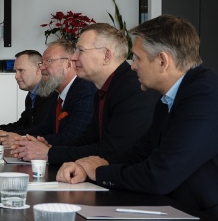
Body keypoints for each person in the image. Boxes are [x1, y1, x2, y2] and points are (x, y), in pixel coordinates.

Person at [57, 15, 218, 215]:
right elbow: (141, 153)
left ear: (162, 61)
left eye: (138, 58)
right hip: (189, 207)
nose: (133, 66)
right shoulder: (173, 96)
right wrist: (89, 165)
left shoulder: (205, 98)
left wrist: (99, 172)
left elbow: (159, 175)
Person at [12, 24, 159, 163]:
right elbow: (87, 139)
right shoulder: (104, 89)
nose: (73, 57)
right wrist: (49, 147)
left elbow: (112, 150)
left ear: (106, 55)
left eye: (80, 51)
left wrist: (49, 153)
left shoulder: (133, 89)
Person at [0, 40, 93, 147]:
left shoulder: (85, 90)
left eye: (48, 61)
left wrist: (21, 140)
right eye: (43, 62)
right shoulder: (58, 94)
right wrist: (12, 137)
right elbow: (43, 129)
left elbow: (71, 138)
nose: (42, 67)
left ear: (68, 64)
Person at [0, 50, 56, 139]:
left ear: (38, 68)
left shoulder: (50, 94)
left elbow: (38, 131)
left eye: (21, 70)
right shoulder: (31, 95)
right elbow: (22, 124)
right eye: (16, 71)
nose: (16, 76)